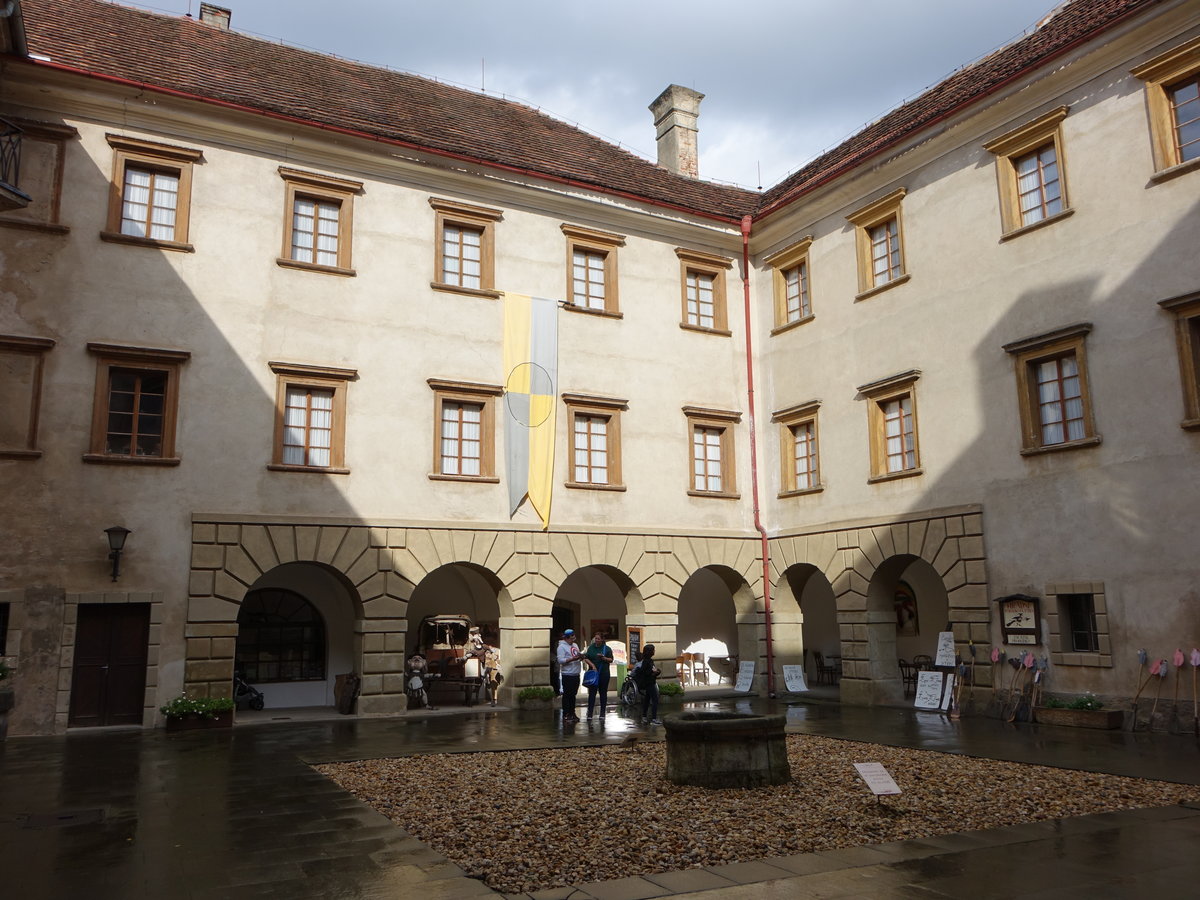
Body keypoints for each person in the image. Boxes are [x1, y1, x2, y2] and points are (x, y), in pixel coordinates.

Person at [584, 631, 614, 719]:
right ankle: (590, 713)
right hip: (593, 674)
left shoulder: (607, 649)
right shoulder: (591, 648)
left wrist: (603, 658)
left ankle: (602, 713)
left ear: (602, 640)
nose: (596, 640)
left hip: (604, 673)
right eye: (595, 638)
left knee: (603, 693)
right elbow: (586, 658)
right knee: (592, 693)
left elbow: (611, 660)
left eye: (598, 639)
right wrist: (592, 665)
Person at [556, 628, 583, 723]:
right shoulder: (561, 647)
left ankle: (572, 712)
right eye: (572, 637)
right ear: (567, 638)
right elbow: (560, 660)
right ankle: (566, 714)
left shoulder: (575, 645)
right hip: (567, 674)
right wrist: (572, 659)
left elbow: (576, 654)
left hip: (576, 673)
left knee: (573, 695)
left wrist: (580, 657)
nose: (573, 639)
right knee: (567, 694)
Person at [632, 643, 661, 725]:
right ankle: (654, 719)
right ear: (650, 651)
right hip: (649, 682)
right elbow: (646, 672)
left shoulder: (648, 660)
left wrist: (656, 672)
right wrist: (654, 672)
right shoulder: (647, 661)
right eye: (653, 649)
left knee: (647, 699)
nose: (654, 651)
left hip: (649, 682)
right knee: (655, 699)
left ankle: (644, 716)